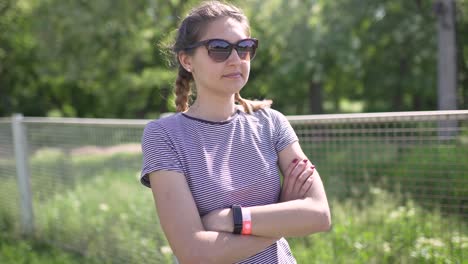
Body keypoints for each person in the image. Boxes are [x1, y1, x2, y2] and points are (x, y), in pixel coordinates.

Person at [140, 1, 331, 263]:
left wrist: (232, 219)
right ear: (187, 60)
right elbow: (194, 252)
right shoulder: (164, 135)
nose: (234, 59)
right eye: (219, 49)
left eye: (244, 48)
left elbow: (319, 214)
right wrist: (281, 219)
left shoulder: (271, 122)